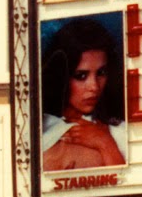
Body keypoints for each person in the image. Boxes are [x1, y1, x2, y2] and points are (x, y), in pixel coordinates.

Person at [41, 17, 126, 171]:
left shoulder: (119, 130)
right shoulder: (39, 128)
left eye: (101, 73)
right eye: (81, 76)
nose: (94, 87)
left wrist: (106, 144)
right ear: (62, 76)